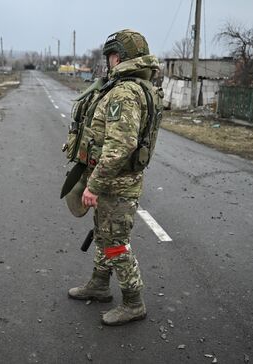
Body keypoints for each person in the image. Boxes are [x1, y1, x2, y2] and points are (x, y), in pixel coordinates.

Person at [64, 29, 162, 326]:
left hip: (115, 184)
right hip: (112, 182)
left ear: (120, 57)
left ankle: (134, 302)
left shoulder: (125, 93)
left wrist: (93, 185)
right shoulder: (129, 87)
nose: (109, 62)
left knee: (116, 243)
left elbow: (120, 147)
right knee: (104, 236)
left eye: (112, 56)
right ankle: (99, 284)